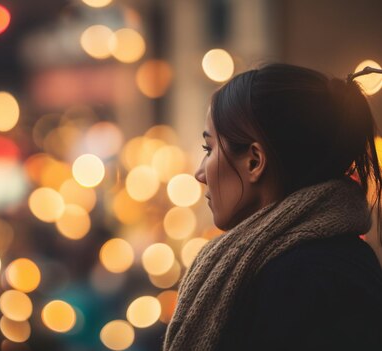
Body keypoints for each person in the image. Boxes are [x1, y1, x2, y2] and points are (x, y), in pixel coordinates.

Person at [163, 63, 382, 350]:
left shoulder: (303, 281)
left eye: (209, 149)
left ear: (254, 160)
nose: (200, 174)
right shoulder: (316, 264)